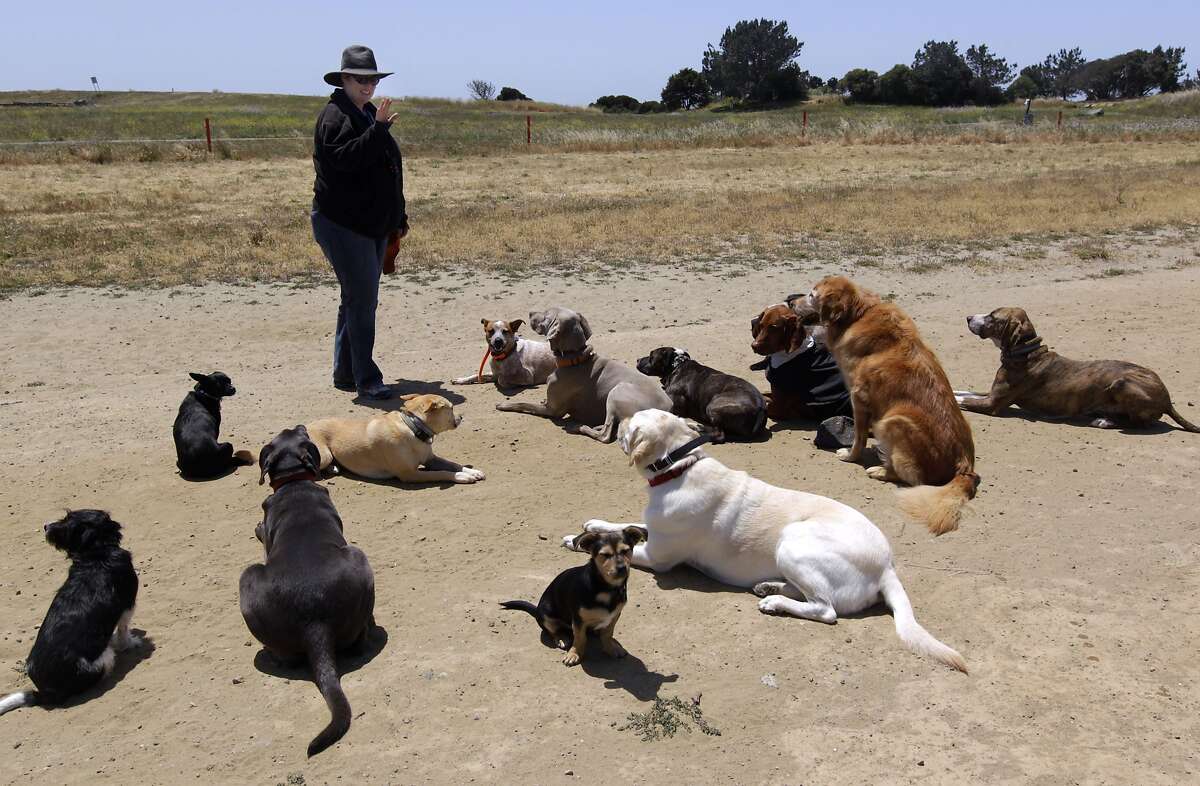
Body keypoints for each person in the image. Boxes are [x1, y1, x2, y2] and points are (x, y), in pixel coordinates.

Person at [311, 45, 409, 400]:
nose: (368, 86)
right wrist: (379, 131)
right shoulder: (336, 116)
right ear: (344, 80)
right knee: (362, 302)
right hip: (343, 224)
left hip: (370, 225)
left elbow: (387, 169)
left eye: (372, 79)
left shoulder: (366, 112)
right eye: (360, 79)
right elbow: (345, 161)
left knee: (356, 299)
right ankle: (366, 379)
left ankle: (346, 372)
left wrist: (397, 218)